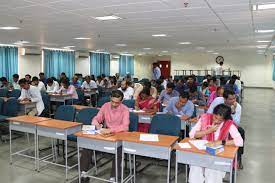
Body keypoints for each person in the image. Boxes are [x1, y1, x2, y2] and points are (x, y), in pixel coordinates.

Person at [80, 90, 129, 183]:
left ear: (121, 101)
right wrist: (97, 124)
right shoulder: (105, 106)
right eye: (113, 101)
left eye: (117, 103)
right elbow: (96, 118)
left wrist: (111, 130)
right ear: (110, 98)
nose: (114, 104)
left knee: (118, 150)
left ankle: (113, 177)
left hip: (119, 135)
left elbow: (125, 127)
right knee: (87, 145)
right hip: (106, 134)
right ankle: (84, 172)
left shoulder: (125, 109)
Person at [189, 104, 243, 183]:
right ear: (213, 113)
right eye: (215, 117)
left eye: (220, 120)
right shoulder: (205, 118)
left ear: (224, 119)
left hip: (218, 156)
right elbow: (192, 134)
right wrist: (209, 131)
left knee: (212, 170)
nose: (216, 121)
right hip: (203, 153)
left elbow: (240, 141)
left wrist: (221, 142)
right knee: (195, 167)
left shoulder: (228, 124)